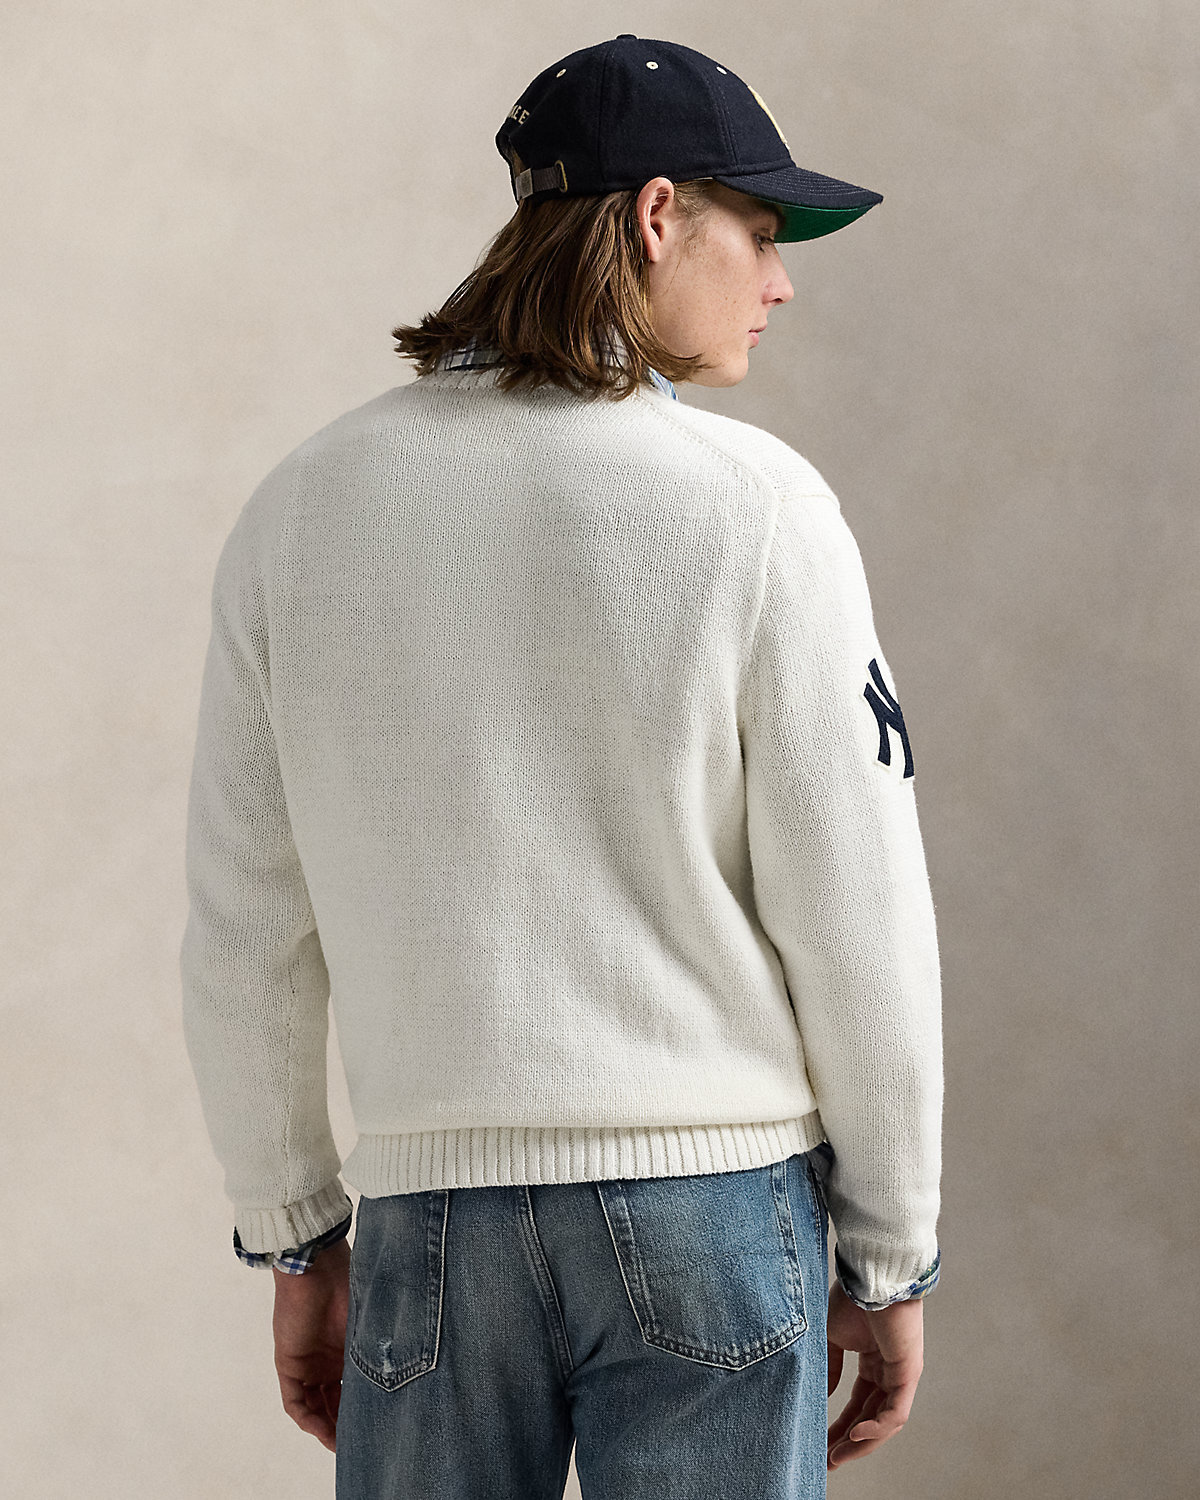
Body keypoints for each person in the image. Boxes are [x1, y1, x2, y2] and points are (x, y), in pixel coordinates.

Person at [180, 33, 943, 1499]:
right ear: (658, 215)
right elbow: (860, 915)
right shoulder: (757, 509)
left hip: (433, 1223)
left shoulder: (302, 508)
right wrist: (892, 1250)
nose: (781, 281)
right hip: (714, 1211)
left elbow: (245, 928)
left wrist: (295, 1233)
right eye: (761, 231)